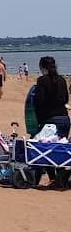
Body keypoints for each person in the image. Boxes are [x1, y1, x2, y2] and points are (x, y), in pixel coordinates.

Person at [32, 56, 70, 184]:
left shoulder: (42, 81)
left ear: (42, 68)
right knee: (60, 149)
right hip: (64, 119)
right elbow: (65, 99)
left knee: (44, 149)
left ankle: (52, 178)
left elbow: (39, 101)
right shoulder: (62, 80)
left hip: (49, 120)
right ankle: (60, 177)